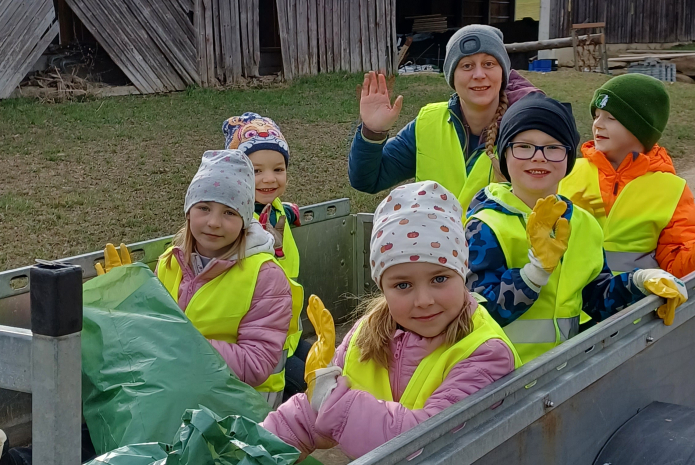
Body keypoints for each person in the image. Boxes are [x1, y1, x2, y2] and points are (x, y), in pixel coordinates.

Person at [262, 181, 520, 460]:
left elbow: (427, 442)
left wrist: (333, 402)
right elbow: (313, 414)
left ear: (463, 272)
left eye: (439, 279)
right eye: (403, 285)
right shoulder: (364, 335)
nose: (424, 300)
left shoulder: (486, 353)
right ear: (382, 287)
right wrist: (262, 447)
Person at [466, 93, 688, 363]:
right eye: (523, 146)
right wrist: (533, 275)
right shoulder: (485, 226)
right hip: (502, 376)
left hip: (566, 372)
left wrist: (638, 282)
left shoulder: (583, 223)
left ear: (569, 157)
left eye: (553, 147)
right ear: (504, 153)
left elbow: (596, 300)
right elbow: (478, 314)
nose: (538, 158)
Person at [558, 74, 695, 289]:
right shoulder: (566, 172)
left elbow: (675, 261)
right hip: (569, 303)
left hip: (637, 304)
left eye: (611, 118)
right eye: (596, 116)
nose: (597, 125)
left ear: (641, 128)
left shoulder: (671, 189)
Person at [155, 149, 296, 408]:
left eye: (229, 212)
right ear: (188, 211)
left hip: (242, 409)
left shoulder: (264, 276)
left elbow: (256, 364)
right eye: (204, 208)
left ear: (245, 220)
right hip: (181, 395)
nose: (213, 222)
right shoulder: (170, 262)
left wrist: (185, 347)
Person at [349, 24, 542, 210]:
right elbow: (367, 180)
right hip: (433, 234)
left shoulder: (531, 128)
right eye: (467, 66)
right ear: (451, 76)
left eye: (489, 64)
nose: (479, 74)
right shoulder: (428, 123)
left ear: (503, 72)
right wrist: (373, 132)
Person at [222, 112, 308, 401]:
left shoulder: (276, 209)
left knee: (334, 367)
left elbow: (281, 210)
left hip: (287, 332)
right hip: (257, 339)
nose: (269, 179)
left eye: (278, 169)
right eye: (256, 171)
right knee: (312, 387)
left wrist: (291, 211)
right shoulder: (234, 222)